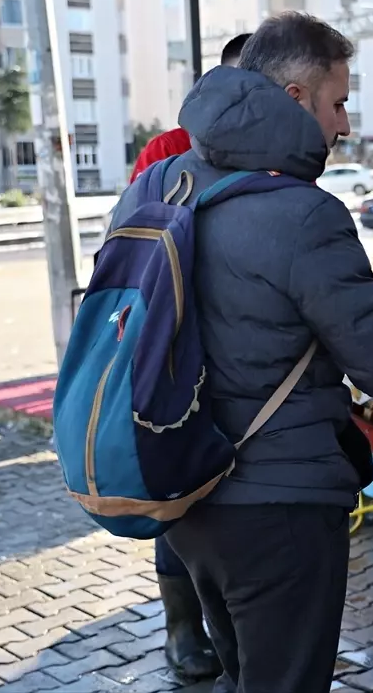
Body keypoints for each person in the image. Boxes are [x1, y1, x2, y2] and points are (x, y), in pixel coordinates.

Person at [107, 11, 373, 693]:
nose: (346, 124)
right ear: (295, 98)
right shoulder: (304, 213)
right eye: (339, 102)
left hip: (184, 494)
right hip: (278, 512)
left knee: (245, 677)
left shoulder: (161, 183)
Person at [119, 33, 251, 683]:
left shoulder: (283, 157)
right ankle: (182, 628)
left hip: (251, 371)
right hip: (177, 364)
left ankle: (236, 636)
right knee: (182, 499)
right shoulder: (165, 156)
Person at [129, 33, 251, 183]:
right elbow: (135, 205)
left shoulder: (282, 156)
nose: (250, 97)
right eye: (241, 85)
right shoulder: (167, 150)